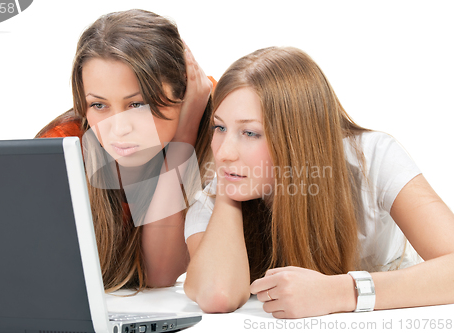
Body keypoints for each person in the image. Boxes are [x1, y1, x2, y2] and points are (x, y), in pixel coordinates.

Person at [184, 46, 454, 318]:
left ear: (297, 138)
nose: (223, 152)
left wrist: (339, 292)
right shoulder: (214, 198)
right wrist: (229, 196)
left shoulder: (372, 158)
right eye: (219, 127)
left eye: (250, 132)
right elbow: (217, 295)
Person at [36, 9, 214, 291]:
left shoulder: (223, 124)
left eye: (137, 104)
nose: (118, 129)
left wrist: (185, 136)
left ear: (184, 92)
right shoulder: (63, 147)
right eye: (98, 105)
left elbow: (160, 274)